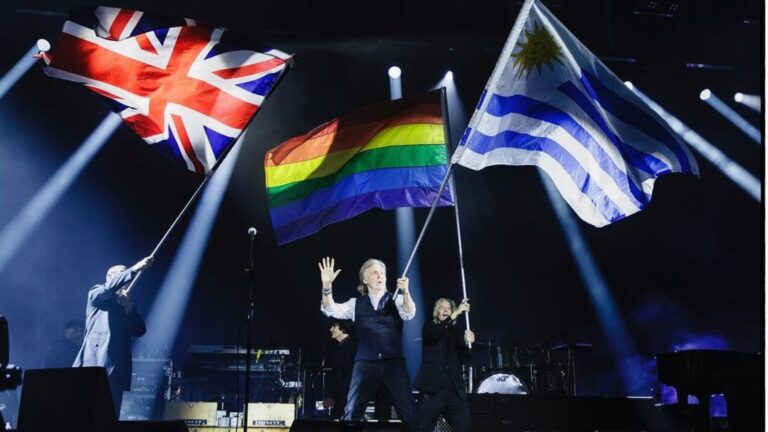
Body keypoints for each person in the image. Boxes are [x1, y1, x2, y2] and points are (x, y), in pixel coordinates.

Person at [319, 257, 417, 431]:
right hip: (365, 363)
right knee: (352, 410)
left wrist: (406, 292)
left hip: (393, 363)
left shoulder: (396, 299)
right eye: (375, 272)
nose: (380, 276)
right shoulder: (355, 304)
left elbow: (409, 313)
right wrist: (327, 287)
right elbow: (330, 309)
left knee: (408, 412)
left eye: (382, 273)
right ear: (365, 280)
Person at [73, 256, 153, 415]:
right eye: (122, 274)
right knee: (88, 411)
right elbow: (107, 290)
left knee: (111, 413)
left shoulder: (125, 304)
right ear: (110, 277)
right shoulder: (97, 293)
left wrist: (129, 308)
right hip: (95, 363)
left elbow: (139, 331)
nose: (128, 279)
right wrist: (134, 269)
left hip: (118, 367)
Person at [415, 298, 474, 432]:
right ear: (437, 312)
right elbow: (436, 334)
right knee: (420, 428)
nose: (446, 310)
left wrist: (468, 343)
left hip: (454, 391)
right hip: (433, 391)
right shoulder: (429, 327)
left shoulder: (456, 333)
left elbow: (466, 359)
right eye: (442, 307)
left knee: (464, 427)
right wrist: (457, 312)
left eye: (449, 308)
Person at [323, 319, 356, 419]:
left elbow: (347, 375)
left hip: (345, 397)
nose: (330, 329)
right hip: (341, 397)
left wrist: (334, 396)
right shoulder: (342, 347)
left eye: (334, 326)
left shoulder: (350, 347)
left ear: (343, 329)